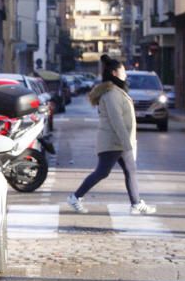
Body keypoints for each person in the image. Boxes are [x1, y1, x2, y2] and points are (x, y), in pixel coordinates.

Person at [67, 54, 156, 215]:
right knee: (103, 172)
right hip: (113, 142)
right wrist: (127, 143)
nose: (126, 74)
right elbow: (116, 120)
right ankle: (75, 197)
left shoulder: (116, 91)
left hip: (118, 142)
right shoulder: (112, 94)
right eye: (123, 71)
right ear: (114, 73)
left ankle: (136, 203)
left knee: (130, 170)